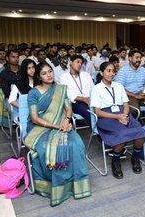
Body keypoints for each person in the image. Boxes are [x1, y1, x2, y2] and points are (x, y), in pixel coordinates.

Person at [25, 62, 91, 206]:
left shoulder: (60, 89)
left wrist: (67, 121)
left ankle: (75, 185)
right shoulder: (33, 93)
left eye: (50, 71)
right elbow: (35, 117)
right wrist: (56, 126)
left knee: (76, 144)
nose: (49, 75)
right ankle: (53, 186)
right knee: (46, 148)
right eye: (44, 73)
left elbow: (68, 109)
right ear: (38, 76)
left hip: (62, 124)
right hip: (40, 127)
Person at [91, 62, 145, 179]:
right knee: (122, 133)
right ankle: (115, 160)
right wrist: (118, 117)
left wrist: (125, 116)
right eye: (108, 71)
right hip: (106, 117)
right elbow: (97, 112)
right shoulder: (96, 89)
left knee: (140, 131)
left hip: (123, 114)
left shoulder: (119, 86)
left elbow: (126, 105)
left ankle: (135, 157)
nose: (111, 73)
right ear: (101, 73)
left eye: (113, 71)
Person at [60, 54, 94, 124]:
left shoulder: (86, 75)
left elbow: (93, 89)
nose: (80, 64)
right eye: (77, 62)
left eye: (81, 63)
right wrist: (83, 99)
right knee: (91, 114)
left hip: (90, 100)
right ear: (70, 62)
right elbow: (66, 94)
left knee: (102, 110)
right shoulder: (64, 77)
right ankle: (100, 130)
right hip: (76, 103)